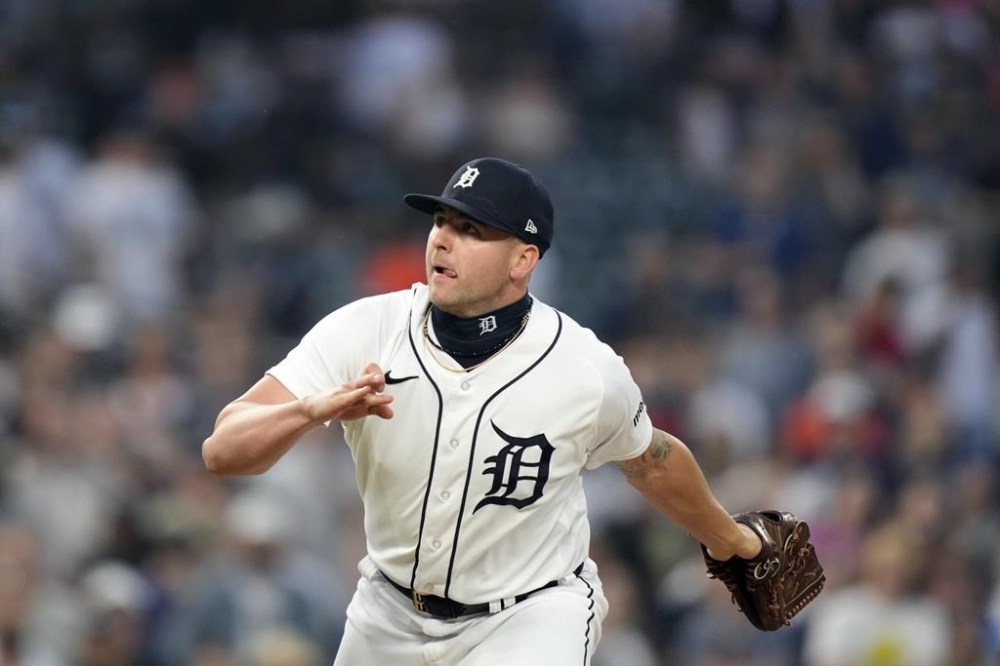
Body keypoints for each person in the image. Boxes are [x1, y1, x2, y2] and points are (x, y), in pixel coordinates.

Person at [202, 157, 764, 665]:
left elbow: (653, 461)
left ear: (523, 259)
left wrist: (733, 542)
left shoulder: (583, 367)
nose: (443, 240)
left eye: (470, 230)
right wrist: (307, 410)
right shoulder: (366, 329)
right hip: (388, 610)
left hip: (528, 615)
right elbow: (222, 451)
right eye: (441, 222)